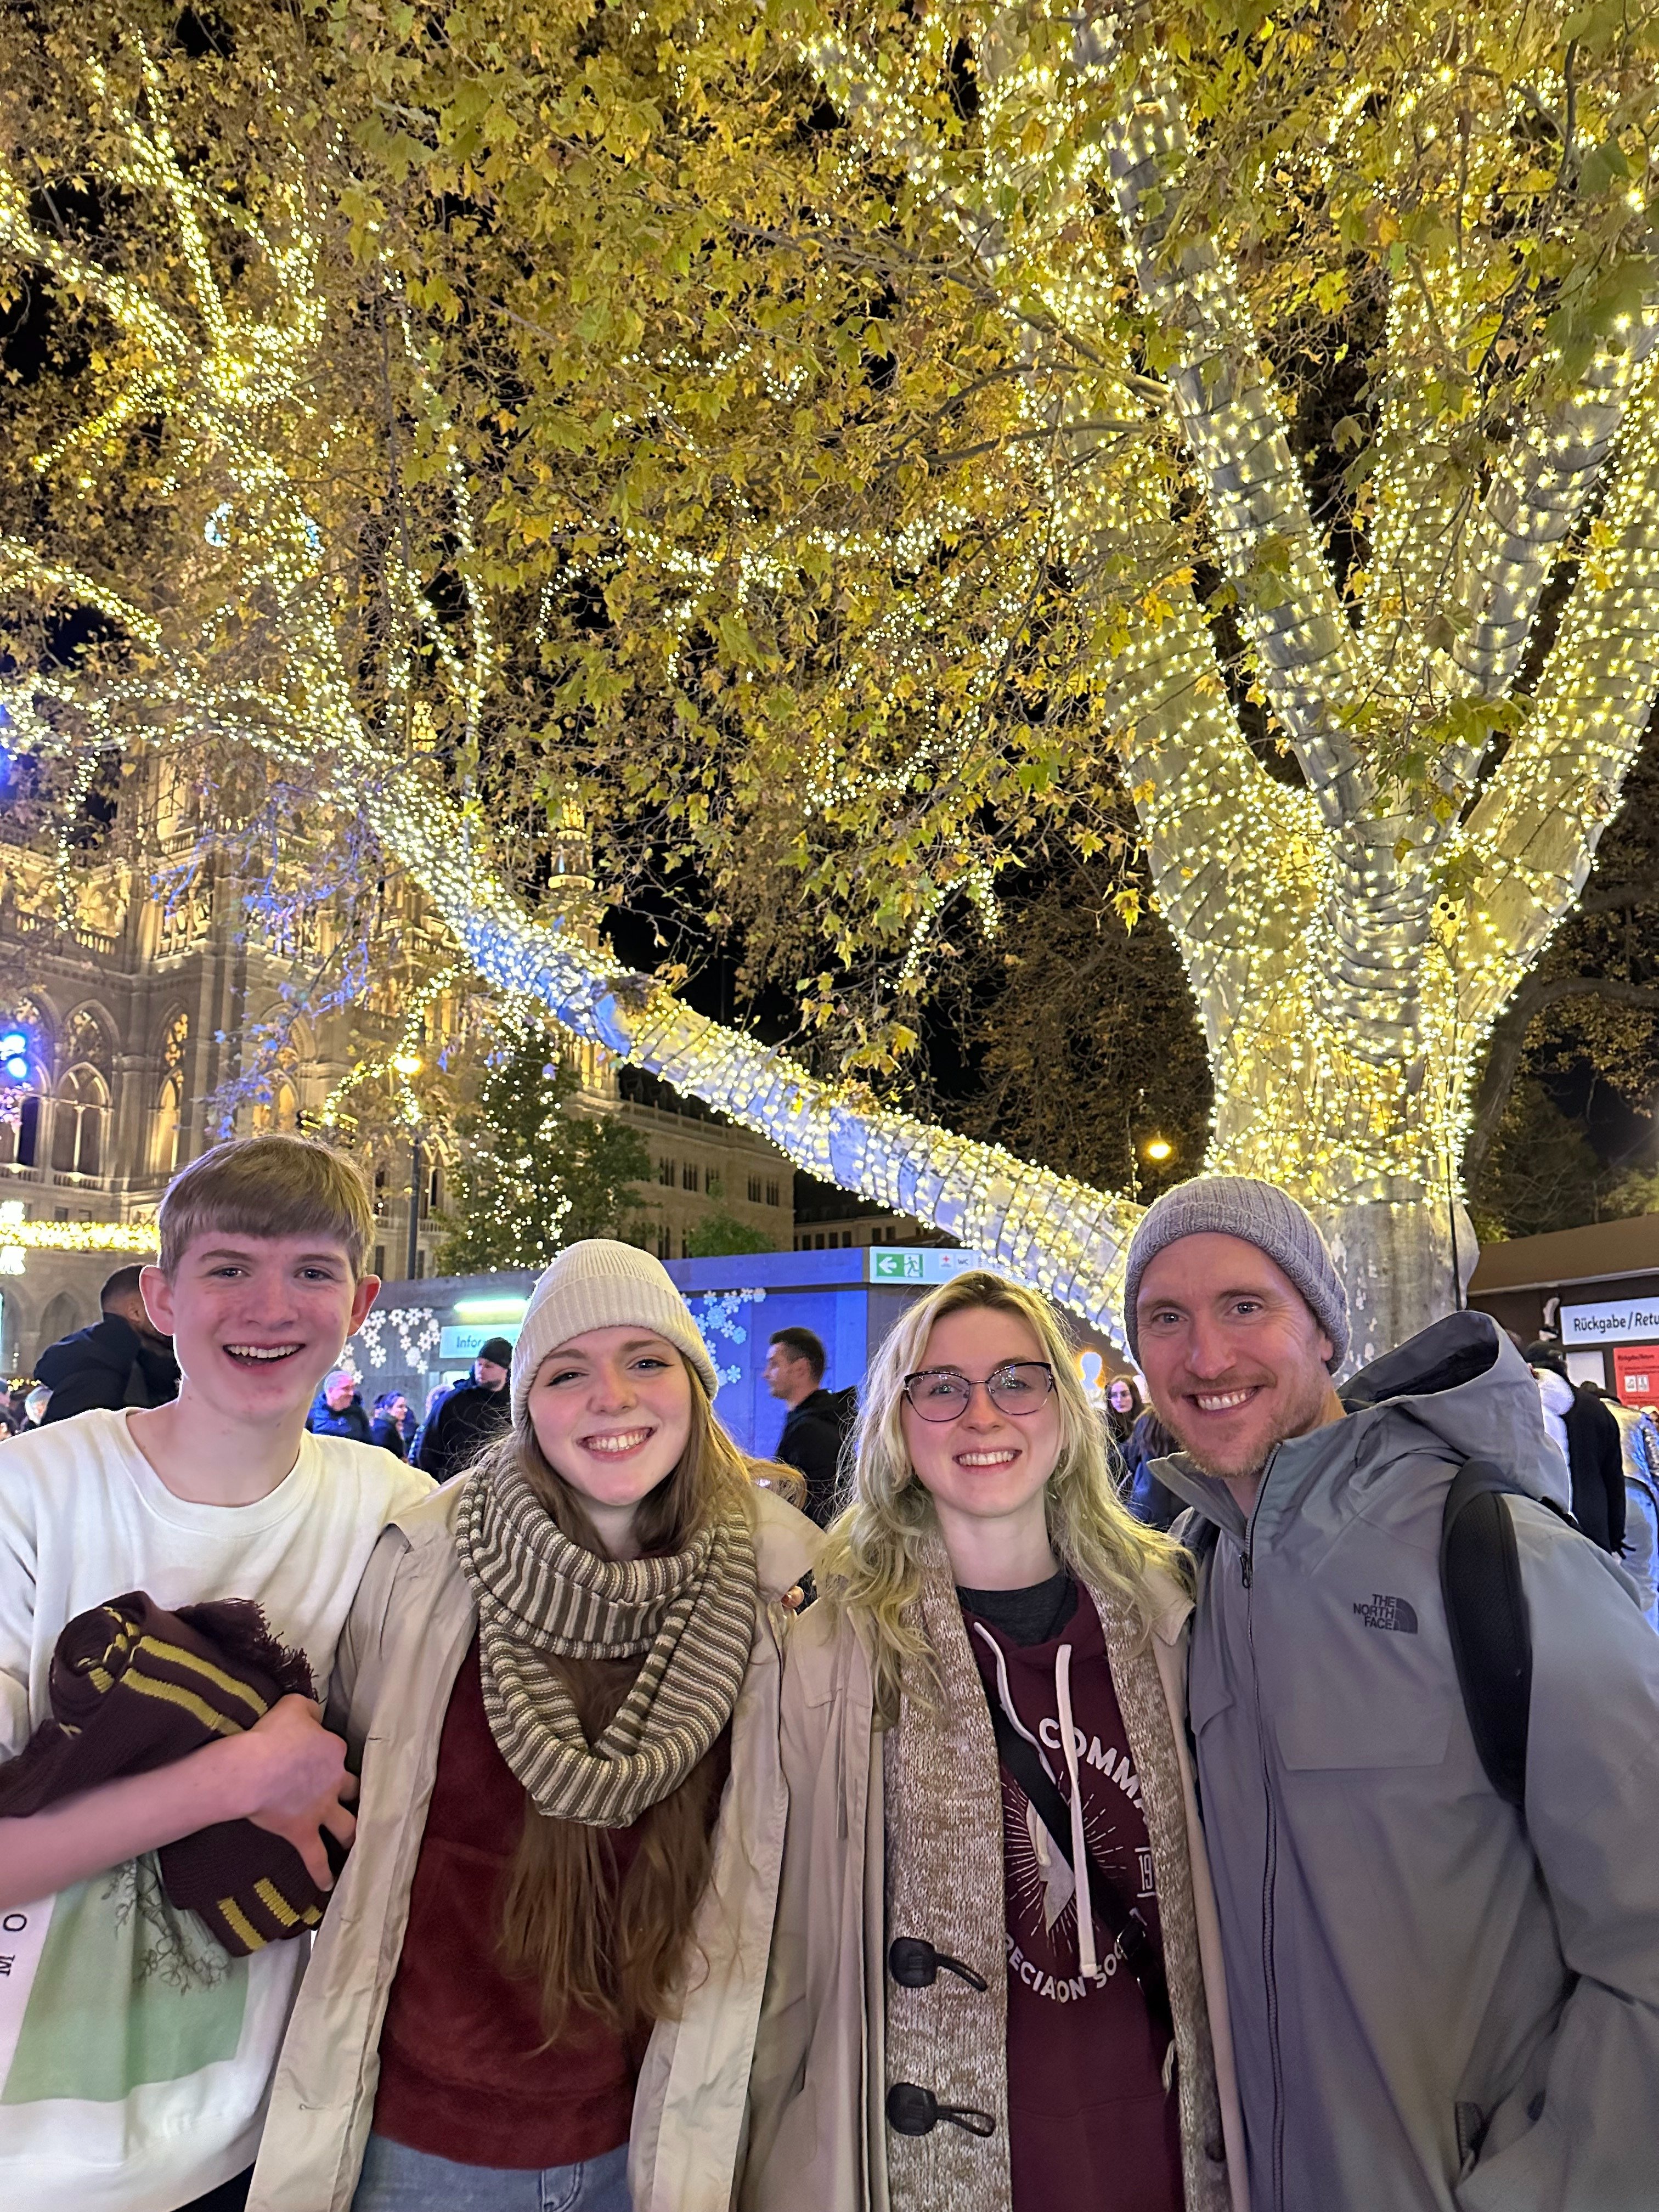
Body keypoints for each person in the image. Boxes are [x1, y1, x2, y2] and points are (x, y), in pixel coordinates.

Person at [646, 1268, 1244, 2212]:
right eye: (940, 1386)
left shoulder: (1175, 1617)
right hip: (918, 2165)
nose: (981, 1414)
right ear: (896, 1416)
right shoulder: (818, 1644)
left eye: (1016, 1378)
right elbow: (759, 1945)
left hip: (1163, 2149)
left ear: (1062, 1407)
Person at [1126, 1173, 1659, 2212]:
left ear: (1322, 1331)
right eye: (1164, 1318)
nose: (1205, 1356)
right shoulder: (1182, 1586)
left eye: (1245, 1306)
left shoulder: (1495, 1554)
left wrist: (1545, 2190)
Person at [249, 1239, 817, 2212]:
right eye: (566, 1371)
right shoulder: (422, 1565)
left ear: (695, 1384)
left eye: (645, 1359)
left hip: (659, 2133)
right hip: (427, 2142)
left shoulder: (781, 1596)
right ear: (526, 1405)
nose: (611, 1395)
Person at [0, 1132, 432, 2212]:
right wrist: (235, 1781)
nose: (270, 1308)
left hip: (247, 2151)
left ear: (362, 1302)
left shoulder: (395, 1510)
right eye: (230, 1268)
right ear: (161, 1296)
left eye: (312, 1272)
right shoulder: (35, 1493)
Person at [36, 1260, 180, 1421]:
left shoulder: (138, 1364)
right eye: (165, 1305)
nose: (177, 1315)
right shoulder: (97, 1378)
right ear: (135, 1312)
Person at [1525, 1341, 1624, 1553]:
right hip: (1595, 1524)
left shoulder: (1523, 1407)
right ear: (1564, 1367)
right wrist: (1615, 1535)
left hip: (1544, 1530)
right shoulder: (1597, 1409)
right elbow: (1613, 1478)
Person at [762, 1324, 853, 1526]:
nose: (766, 1374)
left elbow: (813, 1512)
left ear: (801, 1368)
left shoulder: (811, 1431)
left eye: (774, 1364)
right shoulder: (820, 1421)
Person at [411, 1336, 512, 1482]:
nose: (481, 1370)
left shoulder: (513, 1406)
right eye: (479, 1364)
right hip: (453, 1488)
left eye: (489, 1366)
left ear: (505, 1369)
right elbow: (427, 1448)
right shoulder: (453, 1401)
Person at [1602, 1390, 1659, 1627]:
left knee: (1609, 1577)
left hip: (1603, 1499)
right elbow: (1657, 1469)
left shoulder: (1584, 1417)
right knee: (1646, 1577)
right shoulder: (1637, 1418)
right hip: (1638, 1497)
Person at [309, 1366, 374, 1445]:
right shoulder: (313, 1416)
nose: (351, 1393)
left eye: (352, 1388)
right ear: (330, 1391)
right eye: (346, 1389)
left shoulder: (358, 1414)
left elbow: (369, 1444)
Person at [370, 1390, 411, 1459]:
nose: (405, 1410)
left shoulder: (389, 1426)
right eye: (400, 1407)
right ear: (388, 1408)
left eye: (405, 1407)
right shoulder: (383, 1429)